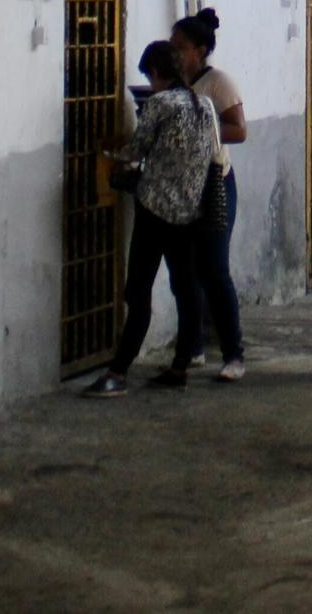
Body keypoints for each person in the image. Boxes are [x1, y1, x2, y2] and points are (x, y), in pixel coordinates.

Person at [84, 41, 216, 398]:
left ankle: (118, 372)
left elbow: (135, 151)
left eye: (149, 75)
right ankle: (179, 367)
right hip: (191, 213)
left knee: (137, 291)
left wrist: (107, 154)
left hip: (155, 210)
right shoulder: (204, 104)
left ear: (156, 72)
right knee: (187, 290)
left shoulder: (158, 104)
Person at [172, 8, 248, 383]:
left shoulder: (217, 83)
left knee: (215, 268)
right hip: (181, 185)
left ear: (199, 50)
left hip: (214, 182)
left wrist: (203, 130)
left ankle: (233, 353)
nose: (176, 53)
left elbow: (239, 130)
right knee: (186, 270)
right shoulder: (171, 84)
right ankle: (193, 345)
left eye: (181, 47)